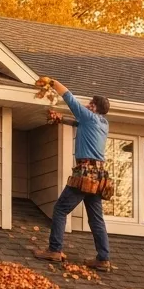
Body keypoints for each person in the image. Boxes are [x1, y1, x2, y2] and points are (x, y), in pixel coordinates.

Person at [33, 78, 113, 269]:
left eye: (90, 103)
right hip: (99, 176)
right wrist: (61, 119)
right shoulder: (103, 123)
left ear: (93, 107)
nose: (86, 105)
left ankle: (54, 249)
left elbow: (69, 98)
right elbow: (80, 124)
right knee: (96, 218)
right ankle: (103, 258)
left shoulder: (88, 116)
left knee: (60, 209)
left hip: (85, 172)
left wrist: (52, 82)